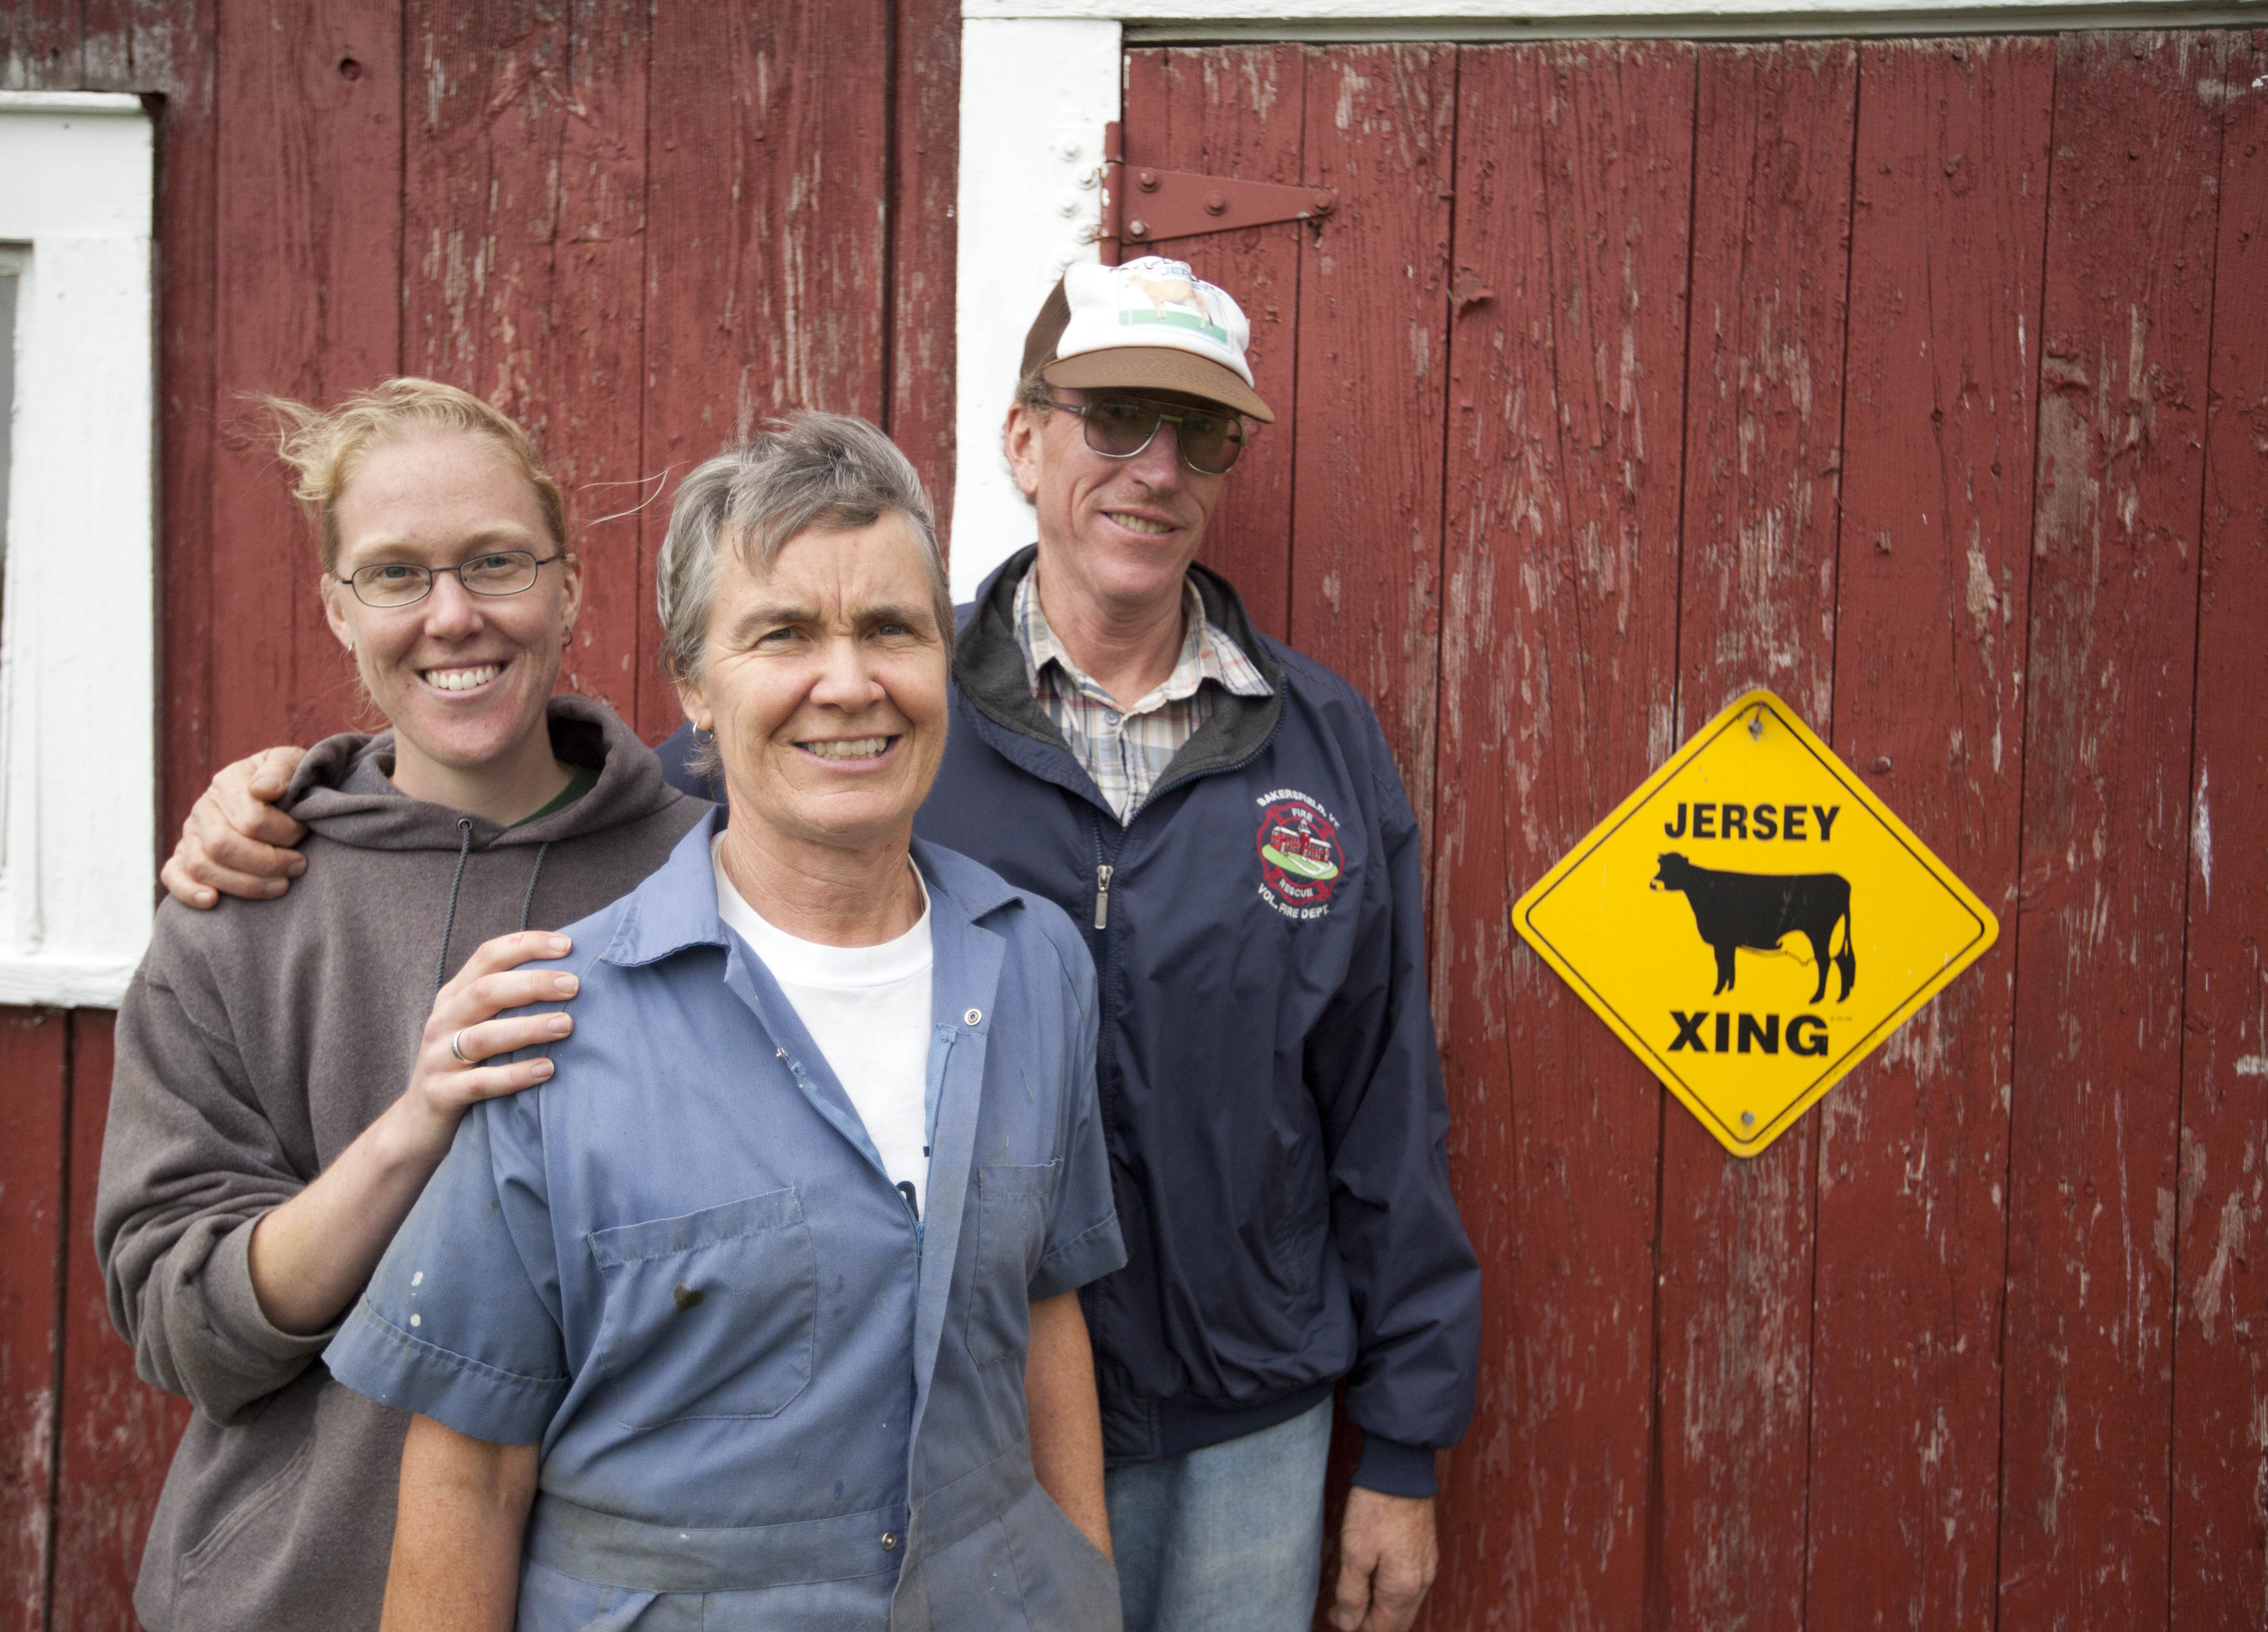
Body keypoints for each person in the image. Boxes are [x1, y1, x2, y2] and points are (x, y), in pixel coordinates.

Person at [167, 255, 1483, 1632]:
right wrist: (317, 792)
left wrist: (1399, 1435)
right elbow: (543, 777)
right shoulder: (865, 712)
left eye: (1200, 432)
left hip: (1237, 1418)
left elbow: (1385, 1104)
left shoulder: (1303, 757)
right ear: (1024, 439)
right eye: (1113, 420)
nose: (1155, 467)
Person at [322, 412, 1126, 1630]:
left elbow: (1048, 1311)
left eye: (892, 629)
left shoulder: (1035, 966)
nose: (848, 684)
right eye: (784, 634)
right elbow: (472, 1473)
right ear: (695, 685)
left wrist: (1083, 1588)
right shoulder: (553, 1022)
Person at [95, 379, 710, 1632]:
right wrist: (414, 1126)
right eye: (393, 575)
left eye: (496, 563)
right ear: (335, 607)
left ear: (570, 584)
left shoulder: (715, 879)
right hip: (308, 1591)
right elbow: (184, 1330)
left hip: (646, 1597)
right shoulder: (243, 902)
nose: (452, 617)